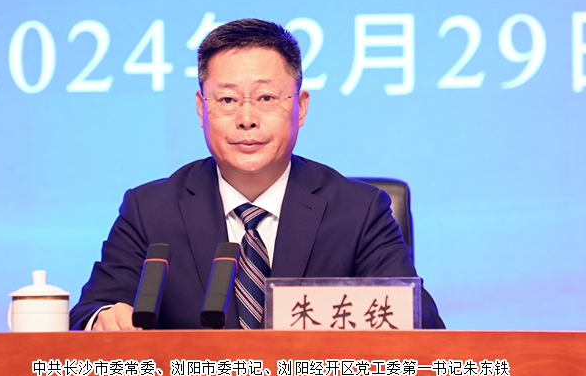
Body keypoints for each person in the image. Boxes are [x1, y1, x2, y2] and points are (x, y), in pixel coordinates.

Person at [70, 18, 444, 330]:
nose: (246, 119)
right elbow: (89, 314)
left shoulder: (358, 210)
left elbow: (421, 323)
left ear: (300, 107)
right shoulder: (151, 211)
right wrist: (104, 320)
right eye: (227, 100)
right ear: (201, 108)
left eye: (266, 98)